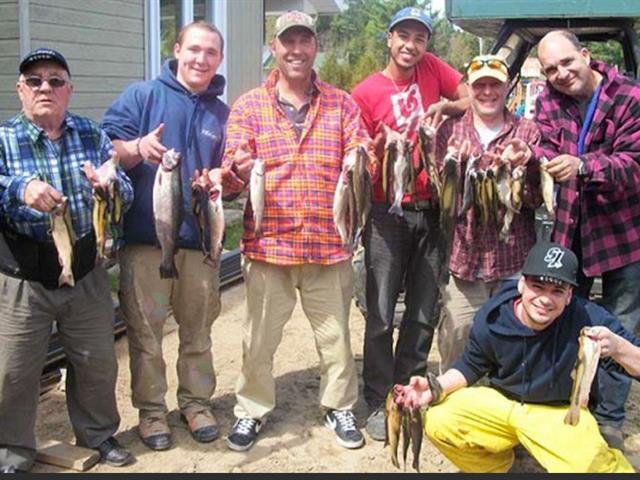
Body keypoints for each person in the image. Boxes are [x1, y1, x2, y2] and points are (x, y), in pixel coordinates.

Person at [220, 10, 369, 452]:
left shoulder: (342, 103)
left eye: (305, 41)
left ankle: (339, 405)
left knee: (336, 338)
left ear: (315, 46)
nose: (297, 50)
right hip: (270, 247)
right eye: (288, 42)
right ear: (275, 47)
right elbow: (231, 176)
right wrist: (237, 169)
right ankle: (251, 409)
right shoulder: (248, 106)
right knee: (258, 340)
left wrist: (360, 156)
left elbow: (363, 150)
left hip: (328, 244)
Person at [0, 48, 134, 472]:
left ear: (69, 90)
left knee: (96, 362)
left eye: (55, 80)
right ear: (20, 89)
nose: (45, 88)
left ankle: (98, 435)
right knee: (13, 371)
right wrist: (19, 188)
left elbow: (125, 190)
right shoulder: (3, 138)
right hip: (24, 275)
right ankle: (11, 451)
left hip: (85, 270)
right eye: (35, 80)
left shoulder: (91, 135)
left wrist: (111, 185)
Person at [394, 241, 638, 473]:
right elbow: (470, 365)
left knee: (592, 466)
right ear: (522, 284)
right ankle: (500, 468)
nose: (545, 299)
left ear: (569, 295)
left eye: (557, 291)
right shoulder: (494, 316)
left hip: (559, 412)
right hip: (502, 405)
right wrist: (434, 387)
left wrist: (619, 348)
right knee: (440, 419)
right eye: (538, 286)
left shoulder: (589, 317)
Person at [101, 21, 228, 451]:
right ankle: (152, 412)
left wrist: (221, 177)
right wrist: (136, 148)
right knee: (146, 335)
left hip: (199, 245)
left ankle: (196, 403)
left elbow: (228, 176)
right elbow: (105, 149)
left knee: (198, 332)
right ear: (176, 49)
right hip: (146, 242)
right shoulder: (142, 96)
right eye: (194, 49)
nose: (201, 59)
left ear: (219, 59)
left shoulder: (221, 114)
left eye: (211, 52)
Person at [350, 6, 469, 441]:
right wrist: (381, 146)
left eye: (420, 38)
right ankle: (379, 396)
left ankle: (409, 390)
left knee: (422, 310)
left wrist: (448, 106)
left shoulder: (434, 69)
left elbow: (473, 97)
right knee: (381, 311)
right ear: (389, 38)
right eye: (404, 36)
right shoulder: (365, 91)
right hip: (386, 211)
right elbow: (357, 147)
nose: (411, 45)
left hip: (434, 207)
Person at [533, 29, 640, 450]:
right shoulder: (547, 100)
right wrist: (534, 157)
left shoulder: (629, 96)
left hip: (623, 234)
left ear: (586, 54)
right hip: (568, 229)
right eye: (550, 69)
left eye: (566, 62)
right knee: (560, 316)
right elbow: (543, 147)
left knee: (620, 325)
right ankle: (565, 403)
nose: (560, 74)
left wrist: (583, 166)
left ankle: (610, 417)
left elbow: (634, 164)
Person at [434, 54, 541, 372]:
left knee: (513, 345)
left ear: (508, 87)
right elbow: (443, 200)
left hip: (513, 261)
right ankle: (451, 397)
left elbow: (536, 198)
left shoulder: (527, 132)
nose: (487, 92)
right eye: (480, 85)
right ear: (469, 88)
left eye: (495, 85)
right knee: (458, 336)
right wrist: (456, 168)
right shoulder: (449, 131)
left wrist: (522, 168)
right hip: (464, 264)